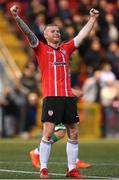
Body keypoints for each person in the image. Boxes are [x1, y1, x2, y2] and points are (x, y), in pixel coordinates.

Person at [10, 5, 99, 179]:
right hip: (52, 97)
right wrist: (16, 17)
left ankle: (71, 169)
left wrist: (93, 19)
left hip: (68, 98)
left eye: (58, 31)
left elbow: (81, 36)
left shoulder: (66, 49)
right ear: (46, 35)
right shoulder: (41, 49)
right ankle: (43, 168)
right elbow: (28, 33)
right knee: (49, 132)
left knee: (73, 132)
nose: (57, 33)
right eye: (53, 31)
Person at [30, 88, 92, 170]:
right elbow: (56, 83)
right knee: (61, 131)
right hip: (55, 99)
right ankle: (36, 152)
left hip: (65, 99)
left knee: (70, 131)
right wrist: (72, 91)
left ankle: (75, 161)